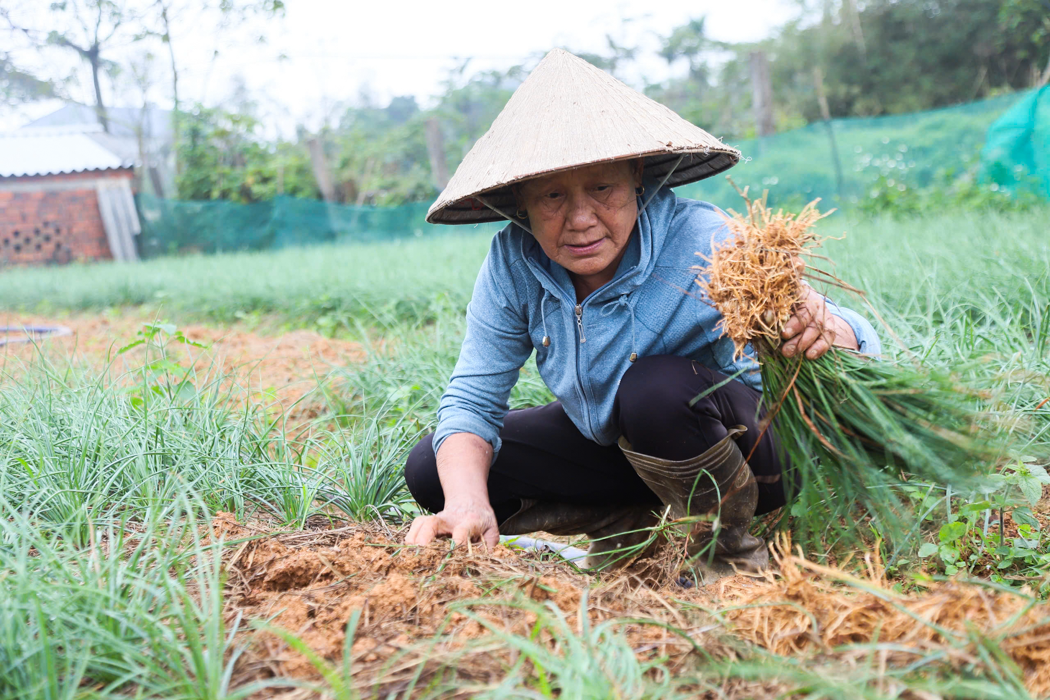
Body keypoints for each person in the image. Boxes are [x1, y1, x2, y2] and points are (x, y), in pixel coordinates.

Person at [402, 49, 880, 578]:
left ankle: (729, 557)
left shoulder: (706, 242)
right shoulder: (513, 264)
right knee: (435, 468)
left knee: (654, 388)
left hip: (759, 452)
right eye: (553, 196)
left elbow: (847, 337)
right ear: (521, 204)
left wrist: (826, 327)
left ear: (635, 177)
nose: (581, 219)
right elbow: (472, 398)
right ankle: (628, 531)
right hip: (637, 456)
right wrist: (466, 505)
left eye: (602, 188)